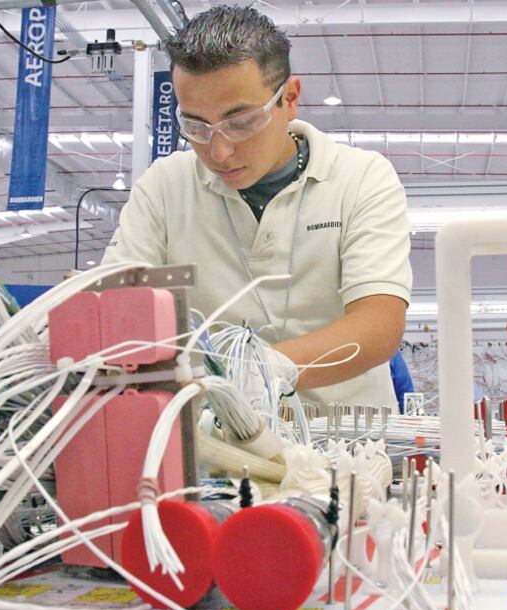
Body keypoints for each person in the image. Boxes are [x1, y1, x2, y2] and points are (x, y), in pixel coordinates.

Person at [101, 6, 411, 409]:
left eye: (241, 122)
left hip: (347, 440)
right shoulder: (165, 186)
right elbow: (115, 307)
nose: (219, 150)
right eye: (196, 126)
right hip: (217, 442)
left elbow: (378, 324)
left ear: (290, 98)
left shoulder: (360, 178)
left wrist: (264, 367)